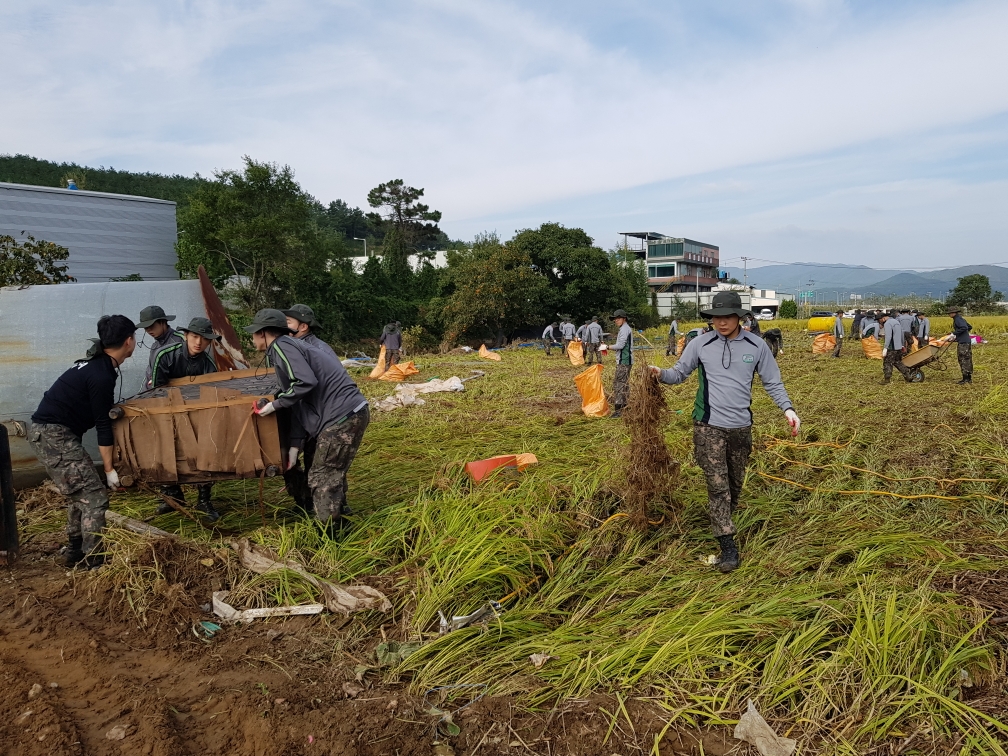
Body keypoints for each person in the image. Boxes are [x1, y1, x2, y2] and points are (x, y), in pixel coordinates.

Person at [648, 291, 799, 573]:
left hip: (741, 427)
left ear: (739, 317)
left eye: (727, 316)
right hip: (708, 425)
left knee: (734, 485)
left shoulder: (757, 346)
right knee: (718, 487)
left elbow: (773, 382)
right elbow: (678, 374)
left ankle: (724, 522)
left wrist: (788, 410)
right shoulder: (700, 344)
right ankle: (728, 547)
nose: (721, 322)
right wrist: (659, 373)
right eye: (716, 317)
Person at [28, 315, 137, 568]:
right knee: (95, 497)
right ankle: (94, 560)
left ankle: (75, 551)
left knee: (81, 494)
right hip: (53, 435)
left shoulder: (97, 365)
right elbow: (102, 424)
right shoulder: (101, 375)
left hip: (52, 434)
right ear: (129, 341)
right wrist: (109, 470)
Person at [246, 309, 369, 532]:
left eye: (253, 333)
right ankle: (342, 521)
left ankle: (331, 535)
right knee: (330, 473)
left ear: (263, 333)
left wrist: (274, 404)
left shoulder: (282, 346)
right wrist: (294, 446)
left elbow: (304, 383)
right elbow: (299, 403)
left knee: (322, 477)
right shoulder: (290, 346)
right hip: (349, 412)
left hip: (341, 415)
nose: (251, 338)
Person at [149, 317, 222, 521]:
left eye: (204, 339)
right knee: (164, 448)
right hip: (165, 410)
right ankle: (172, 496)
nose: (198, 342)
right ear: (186, 336)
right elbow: (157, 389)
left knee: (205, 448)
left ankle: (204, 500)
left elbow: (212, 394)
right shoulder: (165, 355)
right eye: (194, 336)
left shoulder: (208, 364)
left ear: (209, 342)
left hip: (197, 413)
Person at [137, 305, 182, 390]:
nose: (149, 330)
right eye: (146, 328)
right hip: (154, 394)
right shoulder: (154, 347)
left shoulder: (180, 341)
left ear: (163, 322)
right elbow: (149, 375)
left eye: (151, 325)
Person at [610, 309, 633, 418]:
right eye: (615, 319)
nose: (616, 320)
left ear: (624, 319)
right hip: (626, 361)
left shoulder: (624, 329)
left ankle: (619, 410)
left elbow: (620, 345)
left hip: (624, 361)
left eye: (618, 318)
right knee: (624, 384)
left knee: (619, 384)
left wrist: (607, 347)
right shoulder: (625, 329)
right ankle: (626, 407)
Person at [879, 310, 911, 383]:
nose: (880, 322)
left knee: (887, 362)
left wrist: (885, 347)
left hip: (891, 347)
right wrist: (902, 345)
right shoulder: (896, 322)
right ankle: (908, 376)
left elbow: (888, 336)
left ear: (883, 318)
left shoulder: (887, 323)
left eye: (879, 320)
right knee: (897, 362)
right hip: (898, 346)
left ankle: (887, 379)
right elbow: (902, 334)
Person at [946, 305, 973, 384]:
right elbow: (969, 327)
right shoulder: (960, 318)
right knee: (967, 359)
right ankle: (968, 378)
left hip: (963, 343)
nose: (949, 315)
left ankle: (965, 379)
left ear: (954, 313)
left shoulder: (957, 319)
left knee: (963, 359)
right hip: (965, 341)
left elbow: (964, 327)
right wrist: (960, 335)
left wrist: (954, 333)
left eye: (950, 313)